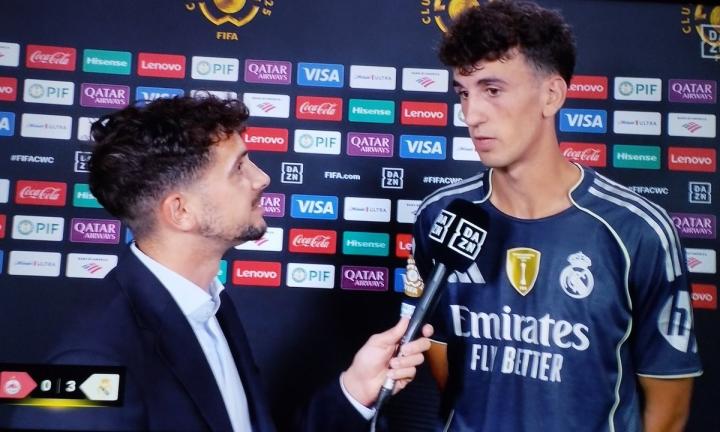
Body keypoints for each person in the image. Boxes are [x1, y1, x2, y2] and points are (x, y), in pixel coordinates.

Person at [3, 95, 432, 432]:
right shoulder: (91, 360)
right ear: (181, 211)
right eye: (238, 168)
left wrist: (354, 390)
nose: (261, 178)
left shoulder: (211, 307)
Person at [409, 1, 702, 431]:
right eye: (463, 93)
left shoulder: (637, 229)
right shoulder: (440, 216)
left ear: (552, 95)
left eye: (493, 90)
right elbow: (441, 359)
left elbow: (668, 406)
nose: (471, 115)